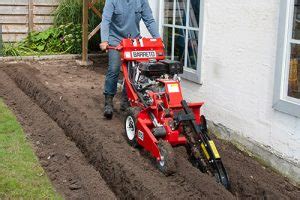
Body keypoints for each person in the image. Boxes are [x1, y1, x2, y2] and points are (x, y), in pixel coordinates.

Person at [99, 0, 160, 119]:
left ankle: (126, 101)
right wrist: (105, 41)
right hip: (116, 40)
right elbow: (106, 20)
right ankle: (108, 102)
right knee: (114, 68)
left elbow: (149, 20)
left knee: (133, 72)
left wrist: (157, 38)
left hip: (133, 40)